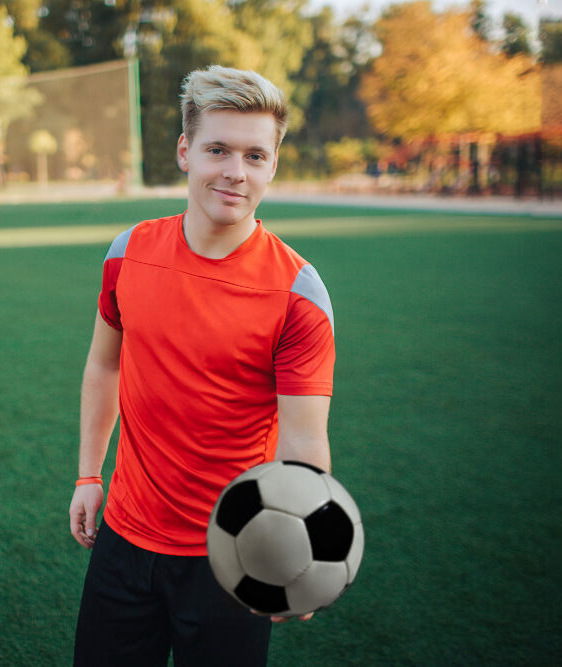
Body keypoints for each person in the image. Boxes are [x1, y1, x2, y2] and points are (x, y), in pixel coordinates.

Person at [69, 65, 336, 666]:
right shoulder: (127, 253)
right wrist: (90, 474)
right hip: (123, 540)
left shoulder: (299, 294)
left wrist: (303, 547)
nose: (235, 173)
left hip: (235, 554)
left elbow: (303, 442)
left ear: (273, 165)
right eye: (218, 149)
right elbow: (104, 367)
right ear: (186, 151)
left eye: (255, 156)